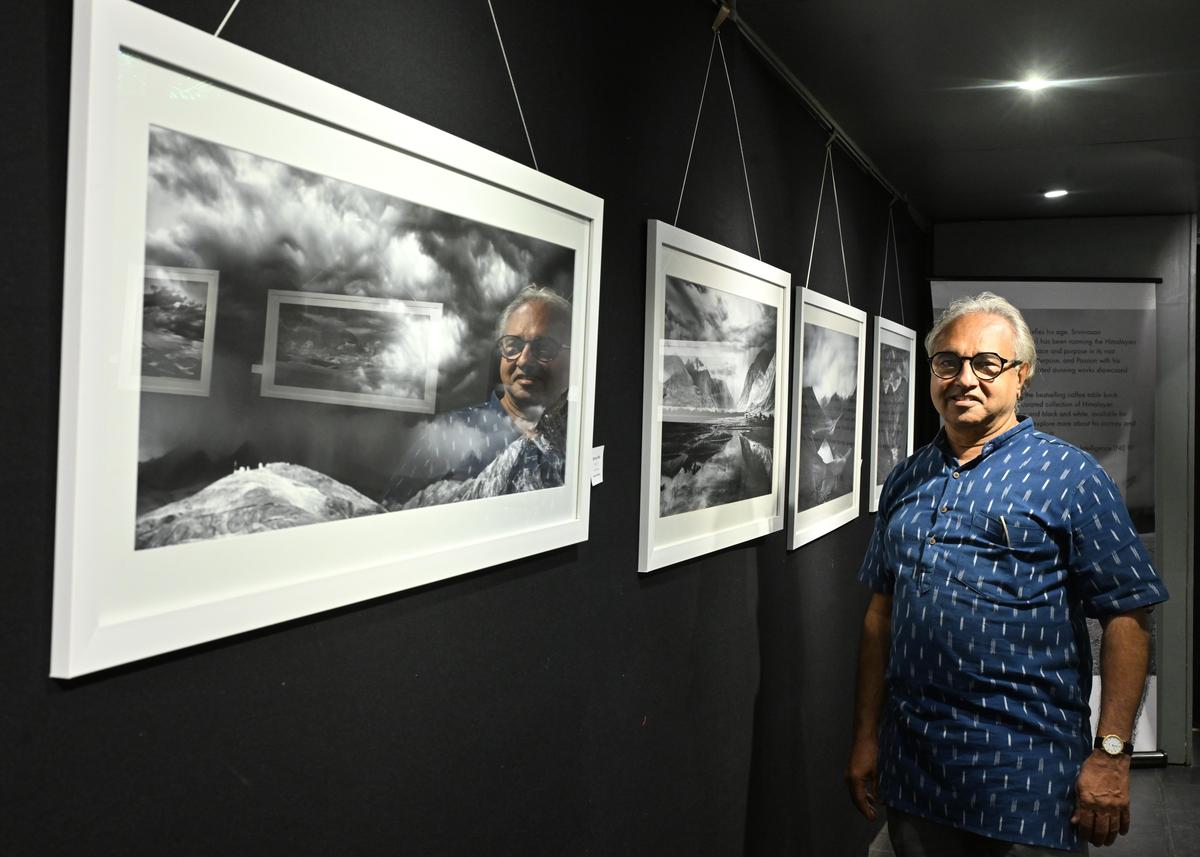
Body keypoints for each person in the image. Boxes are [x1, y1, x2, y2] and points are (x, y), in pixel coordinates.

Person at [845, 292, 1167, 855]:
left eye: (986, 363)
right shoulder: (905, 479)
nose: (964, 378)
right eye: (948, 362)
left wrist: (1112, 753)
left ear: (1022, 376)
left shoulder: (1071, 476)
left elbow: (1128, 615)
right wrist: (866, 736)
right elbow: (881, 615)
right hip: (915, 768)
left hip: (1029, 775)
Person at [383, 285, 571, 508]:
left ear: (573, 358)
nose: (523, 360)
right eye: (513, 346)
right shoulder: (446, 433)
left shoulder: (574, 436)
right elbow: (393, 513)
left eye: (545, 348)